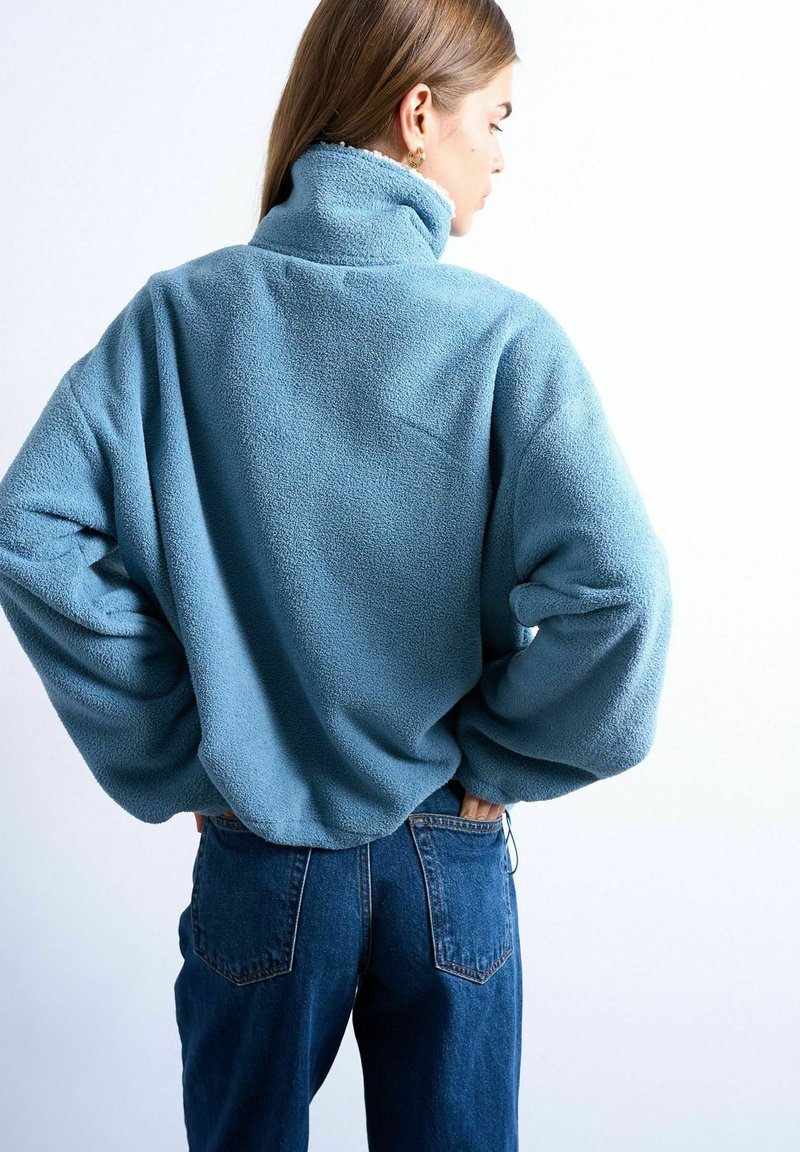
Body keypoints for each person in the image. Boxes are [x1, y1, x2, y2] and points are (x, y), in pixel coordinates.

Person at [0, 0, 672, 1148]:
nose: (500, 156)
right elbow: (619, 593)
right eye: (495, 119)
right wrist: (498, 755)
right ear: (417, 115)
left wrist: (189, 747)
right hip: (443, 850)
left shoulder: (179, 319)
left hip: (262, 859)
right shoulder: (504, 339)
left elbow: (33, 530)